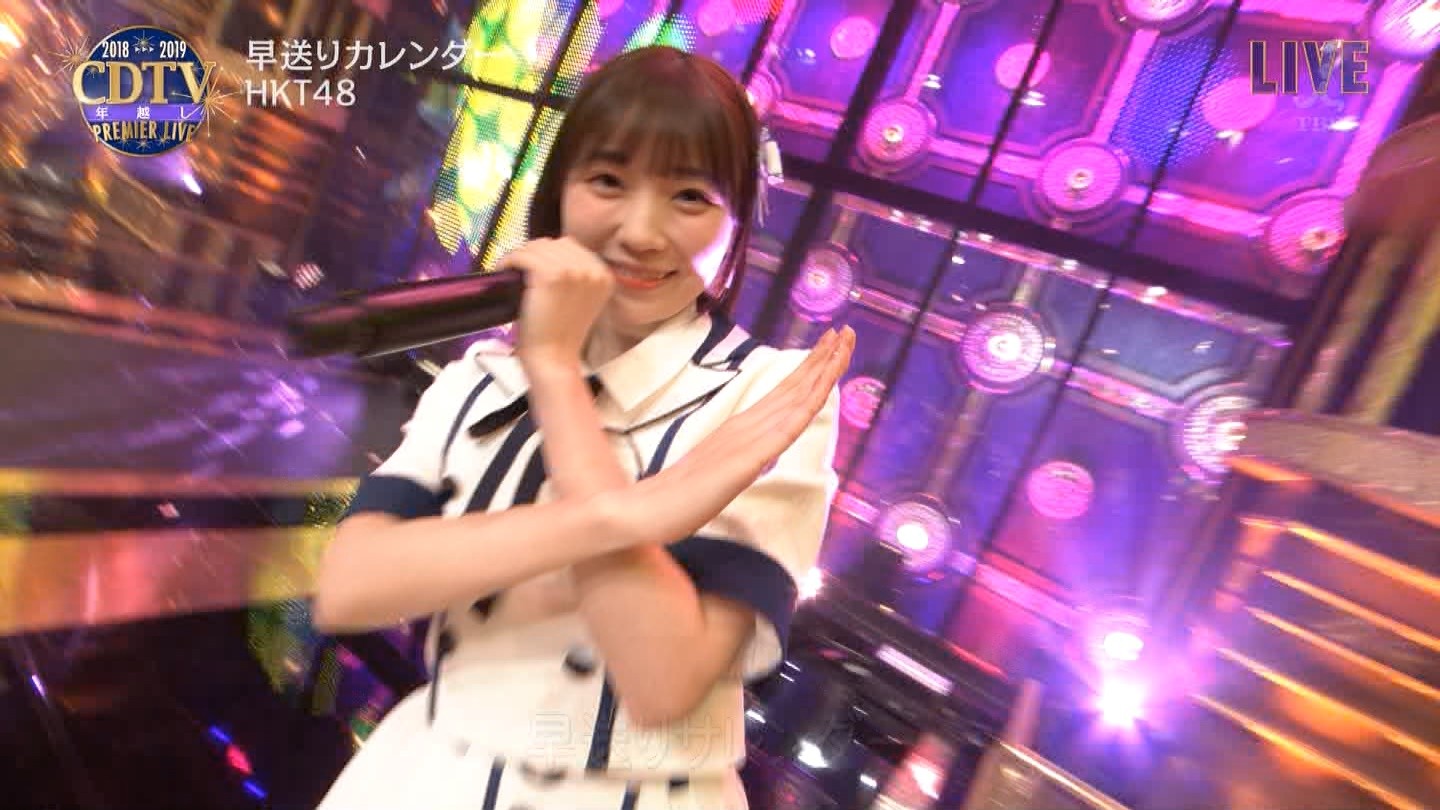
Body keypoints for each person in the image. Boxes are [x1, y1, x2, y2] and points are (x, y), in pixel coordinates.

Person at [310, 45, 855, 810]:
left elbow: (663, 679)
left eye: (689, 196)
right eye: (607, 181)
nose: (641, 231)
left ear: (738, 224)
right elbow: (348, 589)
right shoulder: (480, 378)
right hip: (428, 775)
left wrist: (559, 379)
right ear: (559, 190)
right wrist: (620, 515)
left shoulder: (771, 394)